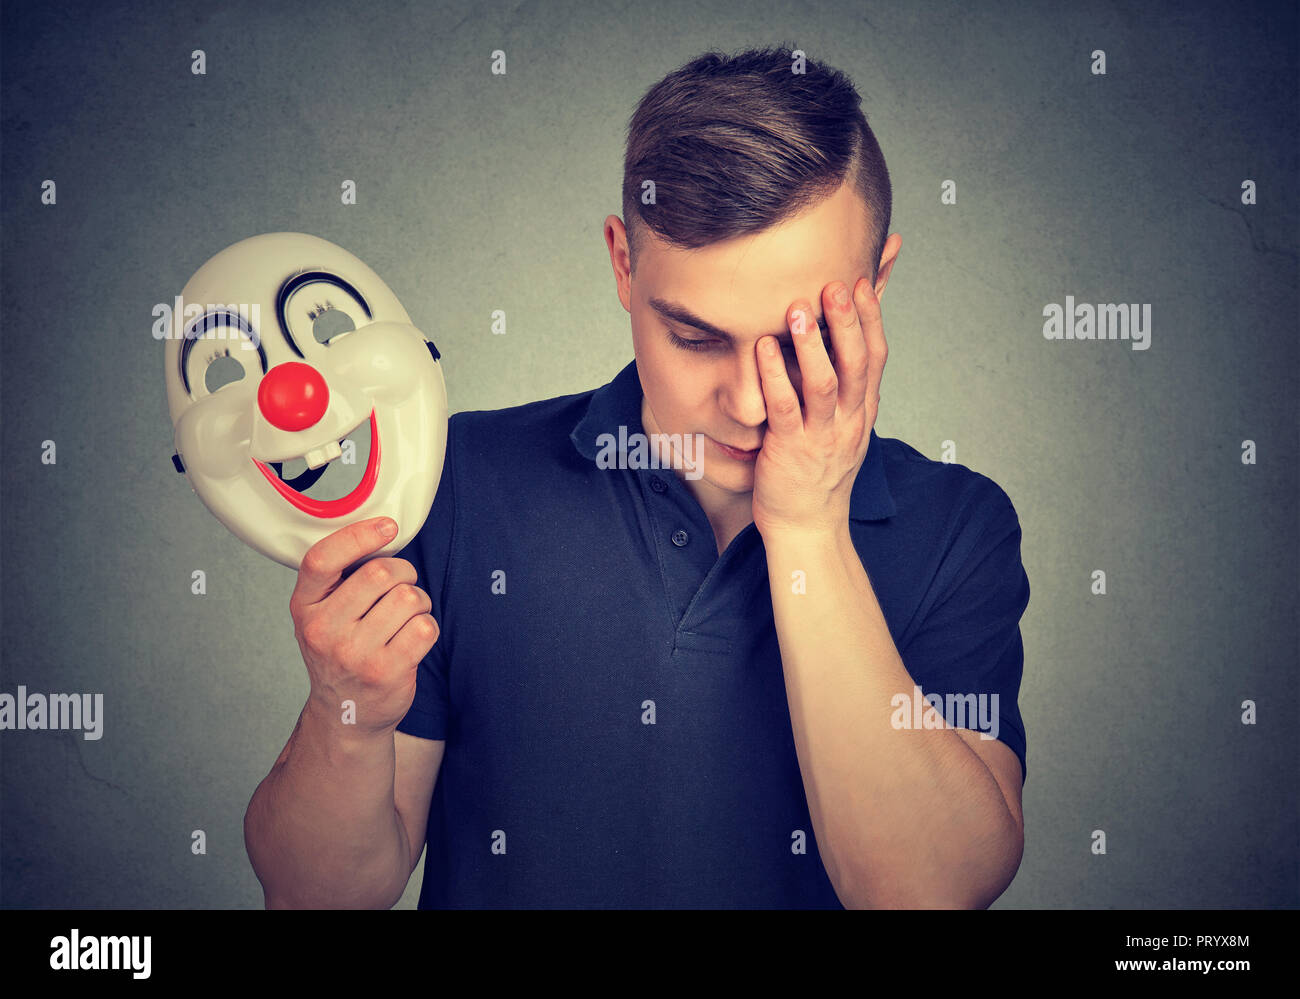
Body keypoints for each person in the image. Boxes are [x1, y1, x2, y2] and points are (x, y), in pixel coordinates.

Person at [243, 45, 1030, 909]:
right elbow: (317, 897)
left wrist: (807, 527)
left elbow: (929, 892)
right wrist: (341, 713)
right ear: (624, 264)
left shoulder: (961, 525)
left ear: (877, 285)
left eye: (799, 341)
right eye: (695, 338)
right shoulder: (454, 480)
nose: (746, 401)